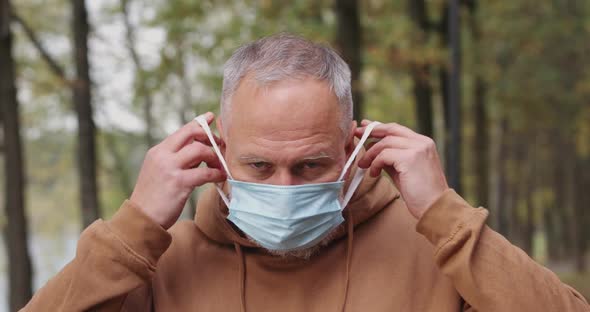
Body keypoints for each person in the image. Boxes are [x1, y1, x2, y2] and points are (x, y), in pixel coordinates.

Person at [22, 33, 589, 312]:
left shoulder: (440, 252)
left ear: (354, 145)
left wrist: (447, 214)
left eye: (312, 164)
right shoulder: (156, 261)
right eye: (259, 165)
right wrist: (132, 227)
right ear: (216, 151)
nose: (284, 189)